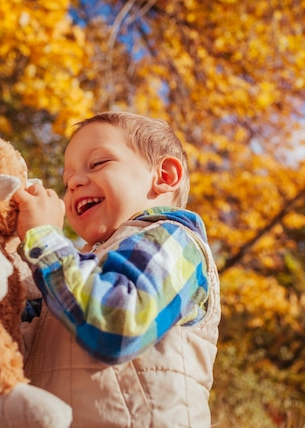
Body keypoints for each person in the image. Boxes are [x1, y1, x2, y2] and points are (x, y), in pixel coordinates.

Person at [13, 111, 221, 427]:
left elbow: (119, 323)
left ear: (164, 175)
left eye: (97, 164)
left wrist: (43, 238)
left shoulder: (174, 240)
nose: (75, 183)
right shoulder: (69, 272)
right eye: (67, 181)